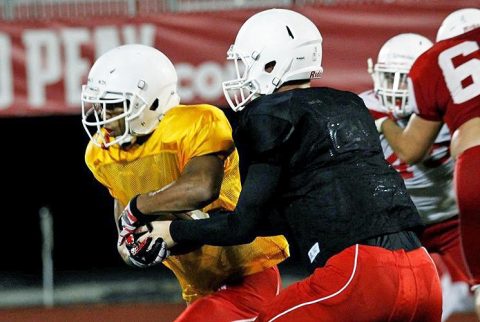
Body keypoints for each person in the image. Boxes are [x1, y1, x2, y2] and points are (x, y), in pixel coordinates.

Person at [121, 9, 442, 321]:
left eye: (246, 63)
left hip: (361, 274)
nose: (241, 74)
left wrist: (173, 231)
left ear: (271, 62)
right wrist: (198, 227)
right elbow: (288, 215)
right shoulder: (351, 104)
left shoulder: (267, 115)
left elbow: (243, 227)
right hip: (424, 272)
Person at [81, 44, 289, 321]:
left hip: (249, 272)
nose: (105, 116)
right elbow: (125, 231)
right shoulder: (101, 154)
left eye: (116, 105)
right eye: (100, 105)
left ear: (152, 101)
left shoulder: (195, 122)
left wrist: (139, 206)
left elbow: (201, 187)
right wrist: (134, 250)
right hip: (197, 288)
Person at [361, 32, 474, 321]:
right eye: (389, 79)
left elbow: (412, 148)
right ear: (375, 74)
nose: (396, 91)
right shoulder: (361, 107)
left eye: (404, 81)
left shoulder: (441, 106)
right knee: (384, 299)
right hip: (399, 222)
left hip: (451, 220)